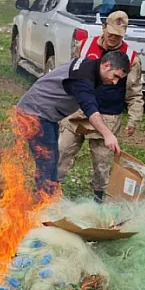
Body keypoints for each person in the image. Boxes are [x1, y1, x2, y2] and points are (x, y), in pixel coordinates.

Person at [15, 51, 130, 196]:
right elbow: (89, 108)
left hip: (46, 115)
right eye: (116, 76)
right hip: (34, 114)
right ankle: (44, 205)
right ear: (106, 65)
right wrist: (107, 134)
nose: (115, 82)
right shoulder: (83, 76)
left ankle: (47, 198)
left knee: (51, 160)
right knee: (48, 162)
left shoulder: (90, 66)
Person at [58, 10, 144, 202]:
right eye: (110, 33)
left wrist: (134, 118)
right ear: (103, 27)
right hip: (78, 111)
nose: (113, 38)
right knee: (62, 150)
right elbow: (70, 72)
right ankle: (52, 190)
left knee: (102, 163)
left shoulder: (131, 58)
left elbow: (135, 92)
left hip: (108, 115)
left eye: (118, 35)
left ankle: (99, 199)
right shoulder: (84, 45)